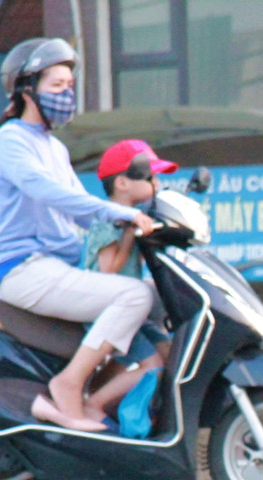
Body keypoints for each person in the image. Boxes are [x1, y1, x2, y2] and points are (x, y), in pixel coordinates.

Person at [0, 37, 158, 432]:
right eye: (57, 86)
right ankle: (68, 384)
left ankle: (95, 406)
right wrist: (118, 210)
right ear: (28, 92)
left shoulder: (54, 149)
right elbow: (48, 192)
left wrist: (141, 220)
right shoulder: (12, 139)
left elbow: (80, 211)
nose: (67, 94)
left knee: (153, 322)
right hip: (25, 270)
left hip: (60, 269)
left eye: (69, 86)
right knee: (135, 295)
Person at [77, 138, 178, 421]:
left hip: (132, 310)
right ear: (122, 183)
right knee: (153, 365)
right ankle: (93, 406)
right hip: (110, 310)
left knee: (169, 355)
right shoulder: (110, 221)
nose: (156, 183)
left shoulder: (136, 218)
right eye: (150, 176)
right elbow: (109, 269)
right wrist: (130, 234)